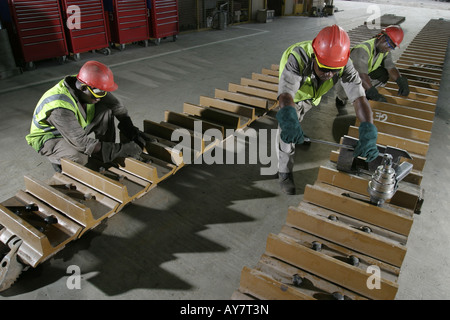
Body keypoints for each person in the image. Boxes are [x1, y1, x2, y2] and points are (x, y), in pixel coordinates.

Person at [276, 25, 379, 195]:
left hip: (312, 96)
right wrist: (288, 119)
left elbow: (359, 98)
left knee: (298, 120)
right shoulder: (297, 57)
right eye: (324, 68)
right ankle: (284, 173)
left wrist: (368, 129)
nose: (329, 75)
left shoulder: (344, 63)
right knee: (285, 135)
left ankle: (297, 128)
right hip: (293, 97)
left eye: (334, 71)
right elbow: (286, 95)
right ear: (315, 56)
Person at [26, 60, 145, 172]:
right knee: (79, 157)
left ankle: (105, 154)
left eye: (103, 92)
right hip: (52, 138)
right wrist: (122, 150)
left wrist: (130, 129)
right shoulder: (60, 106)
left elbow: (116, 106)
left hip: (73, 128)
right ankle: (59, 159)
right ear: (83, 88)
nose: (100, 97)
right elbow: (82, 143)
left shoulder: (87, 83)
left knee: (106, 111)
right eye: (98, 93)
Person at [335, 25, 409, 114]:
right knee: (348, 92)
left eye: (392, 47)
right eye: (390, 46)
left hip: (362, 76)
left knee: (384, 73)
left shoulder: (384, 50)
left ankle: (366, 92)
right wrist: (374, 94)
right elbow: (360, 76)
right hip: (347, 81)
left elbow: (390, 67)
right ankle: (340, 98)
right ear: (383, 38)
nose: (389, 49)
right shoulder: (362, 50)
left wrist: (400, 81)